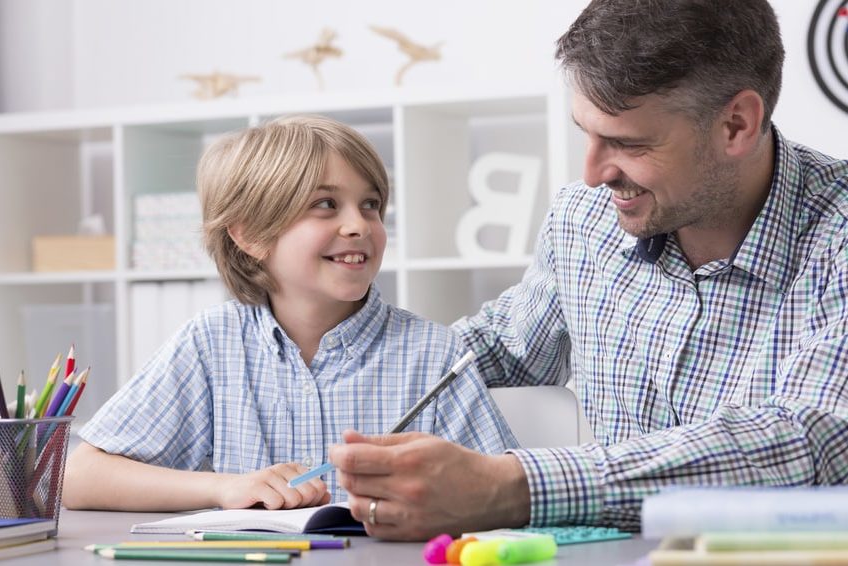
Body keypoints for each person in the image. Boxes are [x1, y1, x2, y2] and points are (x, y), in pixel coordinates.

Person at [329, 0, 848, 541]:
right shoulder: (584, 221)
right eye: (586, 132)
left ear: (736, 124)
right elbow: (498, 350)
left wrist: (512, 487)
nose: (593, 173)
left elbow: (810, 439)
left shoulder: (838, 233)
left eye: (628, 143)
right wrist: (309, 366)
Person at [62, 115, 517, 512]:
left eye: (371, 205)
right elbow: (80, 477)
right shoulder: (211, 342)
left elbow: (502, 493)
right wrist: (225, 489)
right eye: (325, 204)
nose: (359, 224)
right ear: (250, 235)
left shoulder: (433, 353)